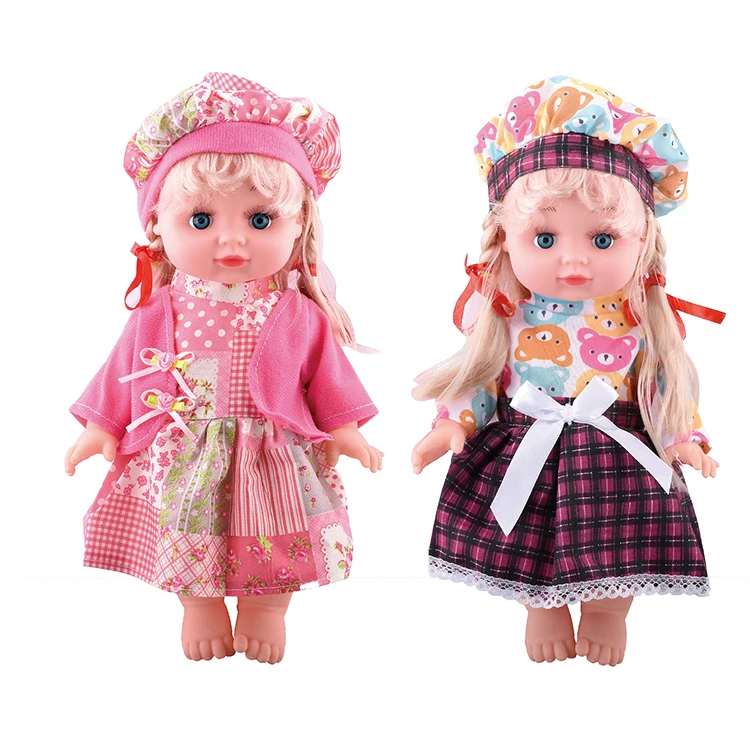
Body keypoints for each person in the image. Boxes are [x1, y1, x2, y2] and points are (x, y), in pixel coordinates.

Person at [65, 72, 382, 663]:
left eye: (260, 221)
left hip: (271, 451)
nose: (231, 242)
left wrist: (345, 428)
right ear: (157, 226)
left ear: (299, 225)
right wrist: (100, 425)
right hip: (184, 449)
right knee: (188, 530)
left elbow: (328, 374)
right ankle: (200, 605)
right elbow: (120, 369)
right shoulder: (159, 310)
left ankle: (266, 608)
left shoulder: (295, 312)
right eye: (201, 220)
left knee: (276, 534)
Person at [412, 76, 724, 667]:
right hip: (525, 442)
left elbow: (664, 385)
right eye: (545, 237)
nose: (573, 258)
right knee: (528, 540)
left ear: (642, 240)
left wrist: (684, 437)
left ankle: (607, 612)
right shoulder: (502, 313)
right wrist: (452, 424)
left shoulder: (638, 318)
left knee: (619, 543)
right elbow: (479, 377)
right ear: (505, 238)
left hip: (618, 449)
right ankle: (543, 608)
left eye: (603, 238)